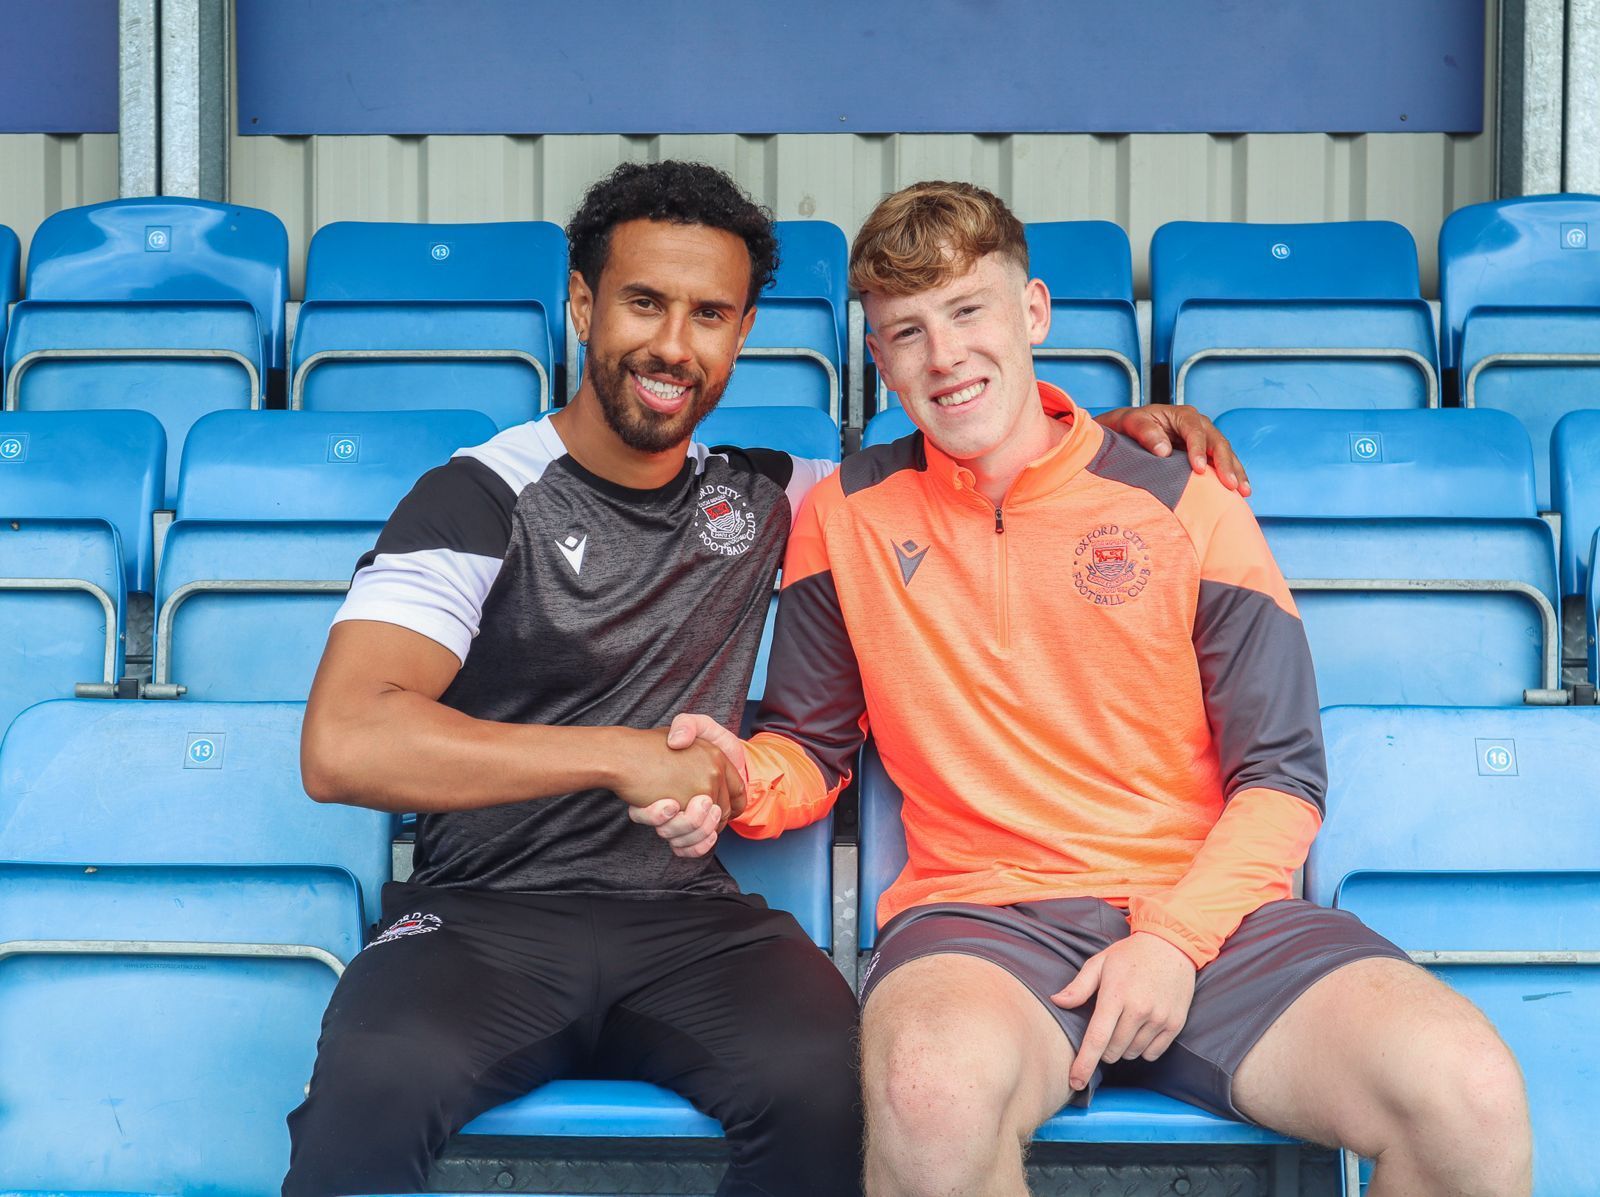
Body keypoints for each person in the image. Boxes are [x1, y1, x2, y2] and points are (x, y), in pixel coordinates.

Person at [283, 160, 1244, 1197]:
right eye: (643, 303)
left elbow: (983, 466)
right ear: (580, 306)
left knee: (835, 1086)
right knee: (370, 1090)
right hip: (480, 914)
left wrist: (1118, 432)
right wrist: (619, 759)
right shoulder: (476, 496)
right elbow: (346, 743)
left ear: (740, 336)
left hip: (689, 921)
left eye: (709, 315)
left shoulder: (780, 496)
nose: (671, 344)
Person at [652, 181, 1533, 1197]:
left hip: (1214, 917)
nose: (943, 358)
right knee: (927, 1092)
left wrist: (1168, 939)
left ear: (1032, 312)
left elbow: (1282, 779)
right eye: (905, 333)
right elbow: (806, 750)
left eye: (968, 311)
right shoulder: (844, 515)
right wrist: (733, 781)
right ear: (877, 357)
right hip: (982, 920)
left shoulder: (1183, 498)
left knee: (1465, 1095)